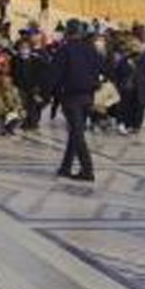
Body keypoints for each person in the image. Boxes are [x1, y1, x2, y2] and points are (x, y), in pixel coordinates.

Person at [51, 20, 102, 183]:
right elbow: (100, 69)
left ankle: (87, 170)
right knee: (76, 131)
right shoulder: (91, 49)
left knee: (77, 133)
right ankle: (65, 167)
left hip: (71, 97)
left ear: (67, 32)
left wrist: (47, 94)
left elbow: (55, 74)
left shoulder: (64, 50)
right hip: (89, 96)